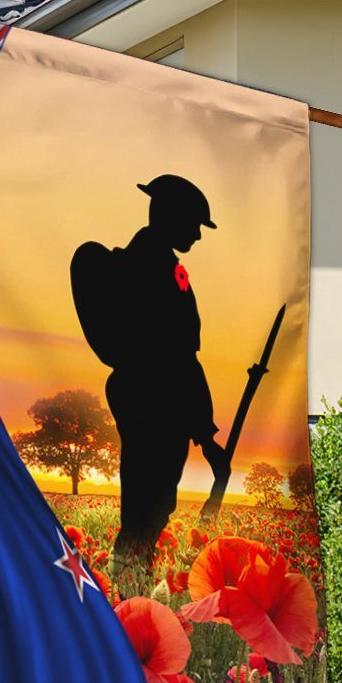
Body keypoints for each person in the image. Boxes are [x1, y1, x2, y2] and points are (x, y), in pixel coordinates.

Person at [70, 174, 229, 578]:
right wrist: (206, 434)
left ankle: (130, 577)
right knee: (148, 499)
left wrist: (204, 433)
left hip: (159, 396)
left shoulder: (161, 266)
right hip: (152, 397)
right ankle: (126, 581)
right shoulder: (147, 268)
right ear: (170, 217)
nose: (196, 233)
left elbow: (185, 359)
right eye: (193, 223)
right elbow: (179, 358)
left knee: (154, 502)